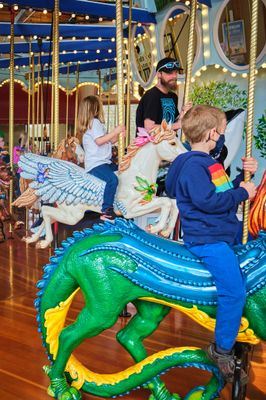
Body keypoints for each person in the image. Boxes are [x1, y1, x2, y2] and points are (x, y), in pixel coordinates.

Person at [165, 105, 257, 383]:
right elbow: (209, 202)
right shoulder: (194, 165)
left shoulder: (207, 163)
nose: (221, 134)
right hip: (208, 240)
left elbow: (223, 192)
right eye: (220, 130)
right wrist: (243, 192)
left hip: (221, 233)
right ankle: (221, 349)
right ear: (210, 134)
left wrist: (243, 177)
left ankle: (242, 330)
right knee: (234, 292)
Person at [77, 95, 125, 221]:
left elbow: (108, 141)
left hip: (104, 162)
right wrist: (115, 132)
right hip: (96, 164)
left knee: (123, 172)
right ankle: (107, 210)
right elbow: (99, 141)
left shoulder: (95, 124)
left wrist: (118, 135)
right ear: (96, 108)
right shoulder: (94, 122)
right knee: (112, 180)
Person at [135, 57, 192, 131]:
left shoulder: (173, 96)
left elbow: (173, 127)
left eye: (176, 72)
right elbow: (149, 128)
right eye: (170, 73)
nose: (174, 76)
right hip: (152, 141)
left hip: (167, 140)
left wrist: (182, 113)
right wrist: (177, 125)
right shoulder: (151, 96)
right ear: (159, 74)